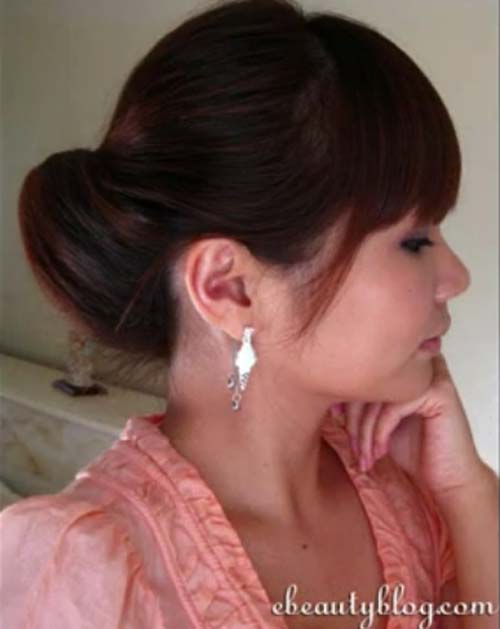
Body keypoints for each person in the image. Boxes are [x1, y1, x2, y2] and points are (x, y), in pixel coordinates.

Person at [1, 0, 498, 627]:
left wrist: (467, 492)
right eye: (415, 241)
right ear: (230, 288)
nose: (456, 278)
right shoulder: (80, 576)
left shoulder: (415, 497)